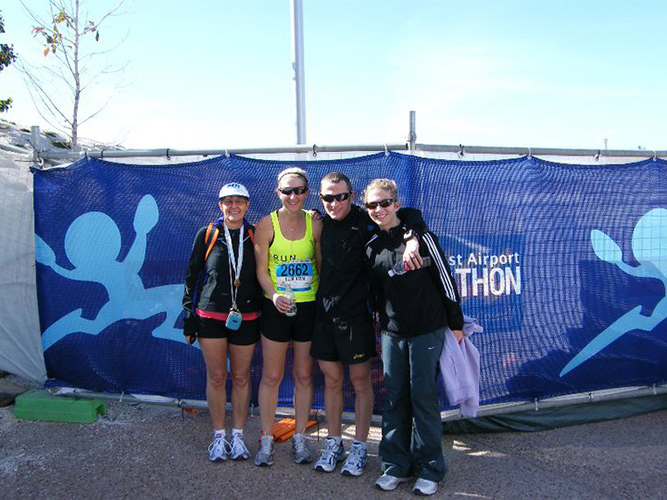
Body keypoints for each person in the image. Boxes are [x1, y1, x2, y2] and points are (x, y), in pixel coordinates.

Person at [310, 172, 426, 477]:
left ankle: (360, 447)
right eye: (327, 198)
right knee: (332, 382)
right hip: (323, 317)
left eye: (341, 197)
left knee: (361, 384)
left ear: (351, 196)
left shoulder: (365, 220)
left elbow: (410, 215)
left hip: (356, 318)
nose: (334, 203)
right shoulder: (318, 223)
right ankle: (334, 444)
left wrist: (413, 238)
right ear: (320, 199)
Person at [363, 178, 463, 497]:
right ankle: (395, 465)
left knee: (423, 396)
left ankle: (430, 468)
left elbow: (446, 280)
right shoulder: (371, 248)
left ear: (396, 203)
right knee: (394, 398)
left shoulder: (421, 237)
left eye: (384, 203)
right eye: (371, 205)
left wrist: (455, 324)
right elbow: (376, 295)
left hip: (427, 330)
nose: (378, 210)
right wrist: (382, 327)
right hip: (392, 334)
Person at [182, 182, 261, 463]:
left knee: (241, 377)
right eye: (228, 201)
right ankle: (218, 436)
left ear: (247, 205)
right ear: (220, 205)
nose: (234, 206)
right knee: (216, 377)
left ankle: (238, 436)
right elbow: (192, 276)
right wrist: (188, 316)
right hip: (210, 316)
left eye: (239, 201)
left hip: (247, 316)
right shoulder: (208, 234)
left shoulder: (255, 235)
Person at [253, 167, 322, 467]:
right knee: (272, 375)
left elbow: (320, 264)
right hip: (277, 307)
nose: (293, 196)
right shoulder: (266, 224)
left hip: (307, 307)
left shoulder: (315, 223)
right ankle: (266, 439)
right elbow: (260, 270)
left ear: (307, 192)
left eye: (299, 190)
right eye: (287, 191)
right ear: (277, 192)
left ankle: (299, 438)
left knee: (304, 375)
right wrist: (274, 295)